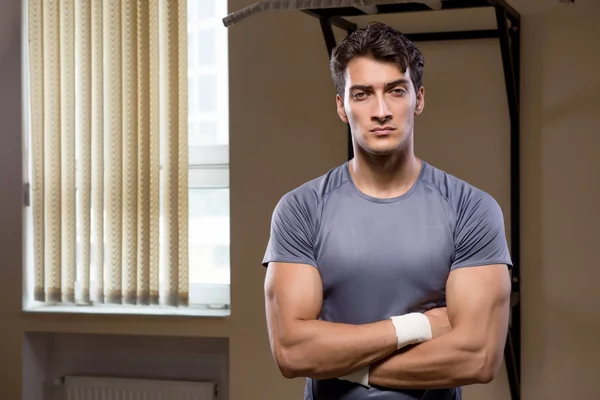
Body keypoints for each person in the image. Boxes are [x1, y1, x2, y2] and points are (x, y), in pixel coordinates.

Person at [261, 21, 513, 400]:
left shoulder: (471, 209)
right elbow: (293, 351)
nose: (381, 110)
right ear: (342, 107)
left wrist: (343, 365)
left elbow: (477, 357)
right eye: (362, 94)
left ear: (419, 98)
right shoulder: (300, 209)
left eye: (396, 91)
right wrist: (419, 326)